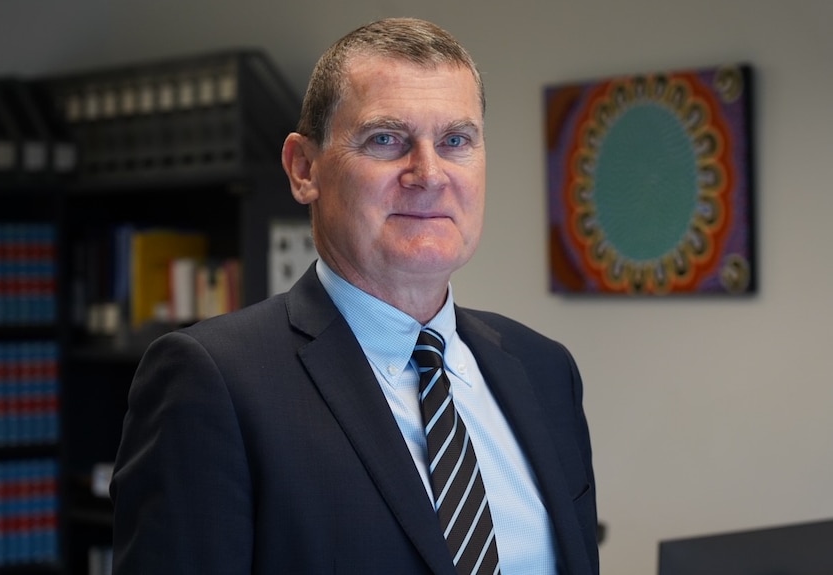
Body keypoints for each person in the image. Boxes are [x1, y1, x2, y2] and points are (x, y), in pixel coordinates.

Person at [110, 16, 598, 575]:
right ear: (303, 168)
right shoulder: (213, 381)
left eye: (455, 140)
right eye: (386, 139)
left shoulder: (544, 371)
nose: (429, 174)